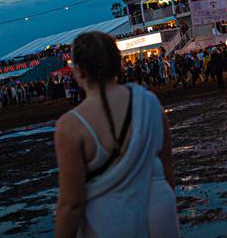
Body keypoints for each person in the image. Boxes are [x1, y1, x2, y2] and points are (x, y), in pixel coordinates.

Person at [54, 31, 179, 237]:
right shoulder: (149, 102)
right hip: (159, 212)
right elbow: (167, 169)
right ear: (118, 64)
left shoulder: (70, 125)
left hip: (110, 221)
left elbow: (71, 203)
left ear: (81, 71)